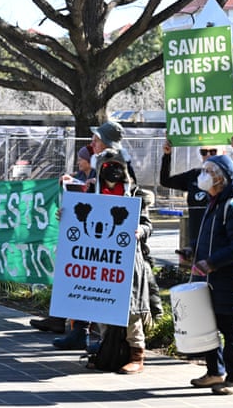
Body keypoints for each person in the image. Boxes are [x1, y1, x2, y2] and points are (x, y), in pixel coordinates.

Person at [84, 149, 162, 374]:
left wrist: (140, 231)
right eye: (108, 166)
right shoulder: (91, 192)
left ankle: (137, 355)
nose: (113, 171)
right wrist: (65, 215)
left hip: (127, 259)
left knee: (130, 309)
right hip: (98, 260)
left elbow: (148, 224)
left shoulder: (135, 194)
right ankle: (103, 352)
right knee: (99, 305)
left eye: (118, 165)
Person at [187, 154, 233, 395]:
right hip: (212, 279)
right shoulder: (214, 202)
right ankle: (215, 372)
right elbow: (209, 237)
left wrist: (212, 263)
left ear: (220, 177)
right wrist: (191, 250)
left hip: (227, 280)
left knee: (228, 328)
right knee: (209, 326)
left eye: (208, 172)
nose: (202, 176)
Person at [30, 145, 96, 336]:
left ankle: (74, 325)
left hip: (87, 236)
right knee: (65, 275)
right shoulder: (82, 177)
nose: (78, 161)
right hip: (75, 232)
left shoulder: (96, 179)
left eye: (82, 158)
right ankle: (57, 318)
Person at [160, 135, 233, 245]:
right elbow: (165, 181)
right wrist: (167, 155)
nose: (208, 156)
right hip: (197, 241)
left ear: (223, 153)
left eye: (213, 151)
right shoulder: (195, 175)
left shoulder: (229, 177)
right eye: (204, 152)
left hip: (222, 242)